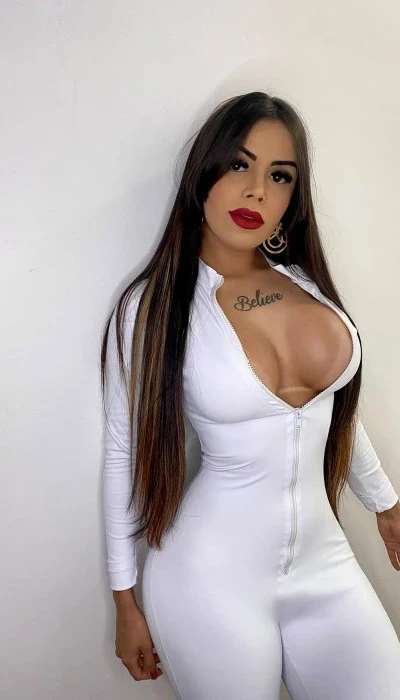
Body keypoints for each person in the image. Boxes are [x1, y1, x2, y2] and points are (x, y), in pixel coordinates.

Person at [100, 91, 400, 699]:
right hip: (210, 581)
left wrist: (386, 504)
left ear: (293, 198)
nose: (257, 191)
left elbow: (336, 415)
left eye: (279, 175)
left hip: (325, 566)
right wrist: (124, 601)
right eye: (239, 164)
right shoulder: (152, 308)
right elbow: (122, 453)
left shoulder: (307, 287)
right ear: (203, 174)